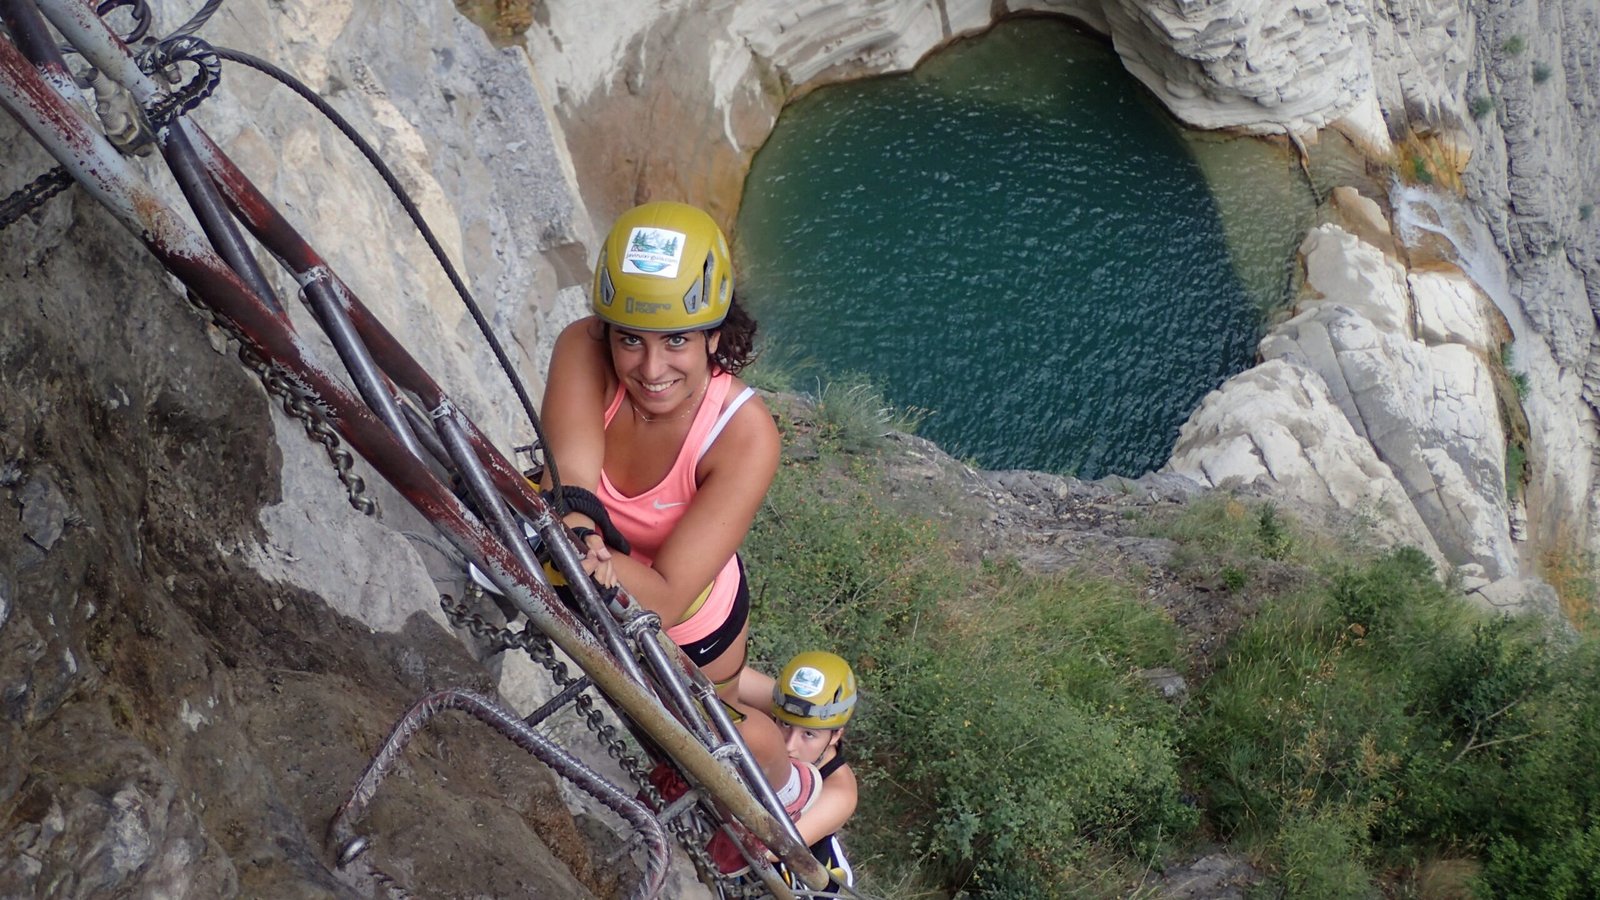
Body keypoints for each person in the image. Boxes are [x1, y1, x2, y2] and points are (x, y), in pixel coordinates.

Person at [539, 200, 814, 817]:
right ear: (607, 329)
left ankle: (792, 792)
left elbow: (663, 595)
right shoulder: (584, 349)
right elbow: (575, 482)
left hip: (694, 621)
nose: (651, 369)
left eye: (678, 341)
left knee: (720, 733)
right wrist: (578, 534)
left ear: (714, 334)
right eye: (630, 339)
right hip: (603, 569)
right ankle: (787, 699)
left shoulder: (743, 435)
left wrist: (572, 543)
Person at [742, 651, 859, 889]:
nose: (788, 746)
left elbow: (774, 847)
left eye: (809, 734)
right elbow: (724, 674)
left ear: (836, 734)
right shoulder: (791, 706)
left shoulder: (840, 791)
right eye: (785, 724)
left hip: (809, 882)